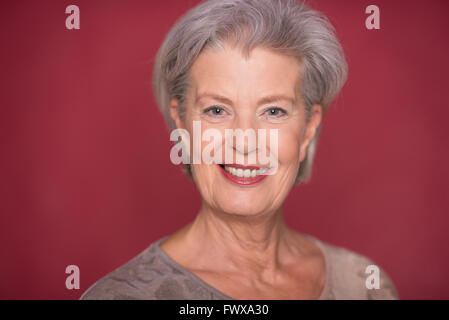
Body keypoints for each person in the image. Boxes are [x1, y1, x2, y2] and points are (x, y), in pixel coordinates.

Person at [81, 0, 398, 300]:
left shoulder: (364, 283)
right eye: (217, 110)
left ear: (308, 129)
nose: (245, 142)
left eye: (273, 111)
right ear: (182, 125)